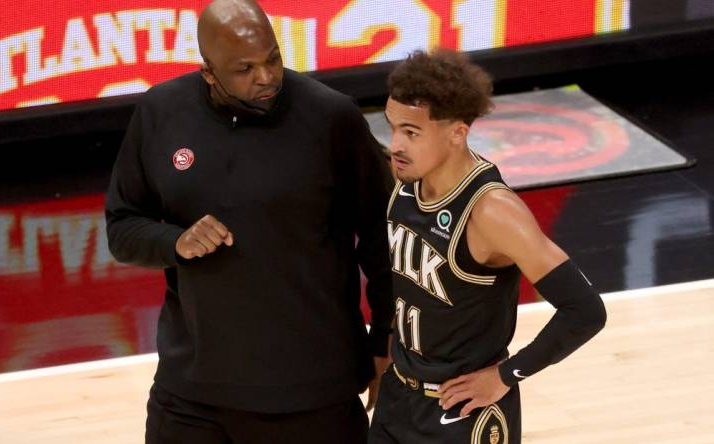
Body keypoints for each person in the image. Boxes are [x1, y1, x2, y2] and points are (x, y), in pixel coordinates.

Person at [104, 1, 394, 443]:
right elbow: (122, 226)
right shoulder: (160, 114)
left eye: (273, 58)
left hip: (314, 391)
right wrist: (175, 241)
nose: (266, 77)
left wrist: (384, 344)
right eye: (244, 69)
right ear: (209, 72)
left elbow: (382, 237)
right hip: (192, 393)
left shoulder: (331, 117)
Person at [368, 49, 607, 444]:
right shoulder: (405, 183)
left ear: (457, 132)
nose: (395, 144)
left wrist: (505, 375)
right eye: (392, 127)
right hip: (399, 396)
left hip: (462, 411)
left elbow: (585, 311)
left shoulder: (492, 212)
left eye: (411, 132)